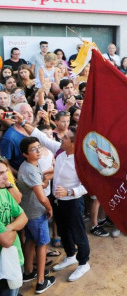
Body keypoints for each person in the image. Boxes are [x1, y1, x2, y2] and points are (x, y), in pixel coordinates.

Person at [16, 121, 91, 282]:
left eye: (65, 138)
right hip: (58, 201)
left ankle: (84, 262)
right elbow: (41, 137)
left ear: (74, 142)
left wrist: (70, 191)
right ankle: (71, 255)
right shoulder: (60, 150)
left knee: (78, 233)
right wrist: (22, 122)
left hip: (73, 202)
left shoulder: (82, 160)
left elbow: (89, 185)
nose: (61, 138)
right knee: (64, 231)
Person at [17, 137, 55, 291]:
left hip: (28, 212)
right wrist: (49, 207)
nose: (38, 150)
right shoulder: (30, 169)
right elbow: (41, 196)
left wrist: (46, 179)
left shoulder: (32, 165)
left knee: (31, 241)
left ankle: (28, 271)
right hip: (36, 213)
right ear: (25, 154)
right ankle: (41, 281)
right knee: (42, 244)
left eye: (39, 147)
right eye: (33, 149)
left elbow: (38, 184)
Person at [0, 159, 28, 296]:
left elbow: (24, 217)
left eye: (6, 172)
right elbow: (6, 241)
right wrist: (17, 224)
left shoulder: (4, 191)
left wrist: (10, 227)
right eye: (0, 173)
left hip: (15, 257)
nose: (6, 176)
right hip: (2, 266)